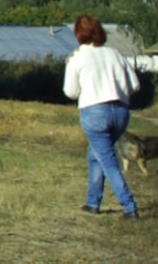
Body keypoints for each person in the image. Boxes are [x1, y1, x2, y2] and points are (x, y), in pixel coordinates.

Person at [62, 13, 141, 219]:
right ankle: (92, 202)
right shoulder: (115, 54)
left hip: (94, 112)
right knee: (95, 154)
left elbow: (71, 92)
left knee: (107, 160)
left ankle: (129, 206)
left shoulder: (77, 57)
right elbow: (134, 85)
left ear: (78, 34)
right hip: (120, 111)